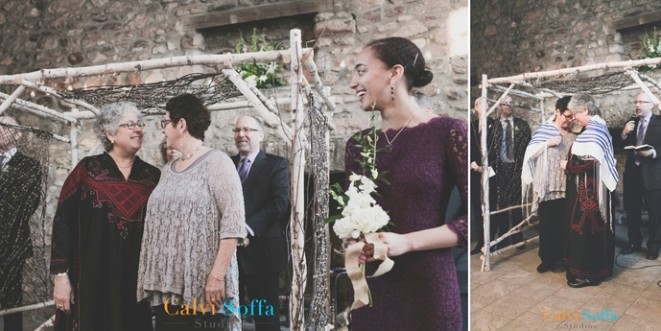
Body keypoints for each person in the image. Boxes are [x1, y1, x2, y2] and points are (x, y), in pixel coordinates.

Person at [346, 37, 467, 330]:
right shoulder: (358, 145)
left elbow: (475, 220)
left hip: (429, 287)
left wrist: (407, 242)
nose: (352, 82)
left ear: (394, 73)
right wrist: (353, 243)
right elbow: (353, 219)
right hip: (374, 290)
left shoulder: (448, 132)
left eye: (361, 71)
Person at [137, 93, 247, 331]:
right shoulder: (167, 170)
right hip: (169, 291)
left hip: (204, 287)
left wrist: (216, 276)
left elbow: (233, 223)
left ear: (181, 124)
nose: (163, 130)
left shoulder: (218, 162)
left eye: (166, 123)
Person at [50, 102, 160, 330]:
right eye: (130, 124)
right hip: (91, 281)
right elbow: (63, 222)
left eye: (139, 124)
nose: (138, 129)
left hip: (135, 285)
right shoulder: (87, 170)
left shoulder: (152, 176)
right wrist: (61, 277)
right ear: (109, 133)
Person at [231, 115, 290, 331]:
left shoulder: (276, 164)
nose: (241, 134)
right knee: (228, 317)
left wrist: (245, 229)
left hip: (263, 253)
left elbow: (279, 204)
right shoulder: (226, 164)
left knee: (266, 322)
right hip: (229, 256)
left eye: (248, 129)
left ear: (261, 135)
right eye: (237, 130)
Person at [564, 94, 618, 288]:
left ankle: (592, 273)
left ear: (585, 109)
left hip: (594, 190)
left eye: (576, 114)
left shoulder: (595, 129)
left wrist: (568, 165)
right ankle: (582, 268)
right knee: (585, 228)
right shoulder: (595, 127)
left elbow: (589, 161)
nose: (574, 118)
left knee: (590, 229)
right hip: (589, 187)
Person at [521, 96, 575, 272]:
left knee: (565, 224)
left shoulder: (574, 133)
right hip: (548, 186)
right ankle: (547, 259)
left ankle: (564, 257)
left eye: (572, 116)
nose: (569, 120)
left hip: (567, 186)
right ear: (558, 112)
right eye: (567, 116)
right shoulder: (544, 130)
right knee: (548, 224)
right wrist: (547, 143)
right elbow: (530, 155)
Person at [0, 116, 42, 331]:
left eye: (6, 125)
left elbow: (27, 204)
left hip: (13, 243)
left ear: (18, 134)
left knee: (11, 302)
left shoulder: (30, 165)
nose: (0, 129)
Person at [618, 92, 661, 260]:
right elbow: (621, 145)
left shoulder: (659, 122)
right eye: (636, 101)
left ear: (651, 105)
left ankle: (653, 246)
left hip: (653, 174)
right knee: (632, 211)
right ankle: (633, 242)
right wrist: (623, 133)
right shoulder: (632, 122)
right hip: (632, 174)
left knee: (655, 213)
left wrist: (654, 152)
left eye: (642, 102)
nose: (637, 105)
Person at [491, 95, 531, 247]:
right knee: (500, 203)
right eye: (504, 103)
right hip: (498, 169)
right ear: (499, 106)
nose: (508, 106)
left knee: (516, 204)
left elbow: (528, 147)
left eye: (510, 103)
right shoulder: (493, 126)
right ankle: (503, 236)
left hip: (517, 168)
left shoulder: (522, 125)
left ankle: (517, 235)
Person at [469, 97, 496, 255]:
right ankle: (480, 241)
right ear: (476, 107)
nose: (486, 107)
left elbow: (496, 148)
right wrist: (472, 164)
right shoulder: (472, 125)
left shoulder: (495, 125)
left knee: (489, 205)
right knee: (477, 206)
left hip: (490, 171)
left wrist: (483, 167)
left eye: (488, 105)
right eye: (482, 105)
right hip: (473, 172)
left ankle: (490, 241)